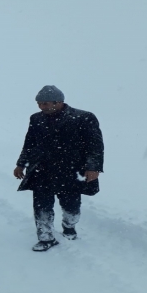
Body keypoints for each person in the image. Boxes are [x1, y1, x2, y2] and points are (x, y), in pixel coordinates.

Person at [13, 85, 104, 252]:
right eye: (39, 104)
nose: (41, 107)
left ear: (60, 102)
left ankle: (69, 227)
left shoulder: (84, 117)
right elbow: (29, 144)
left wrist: (93, 168)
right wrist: (21, 163)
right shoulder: (36, 119)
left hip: (70, 170)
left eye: (45, 104)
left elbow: (95, 146)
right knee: (41, 206)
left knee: (71, 206)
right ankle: (46, 238)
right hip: (42, 170)